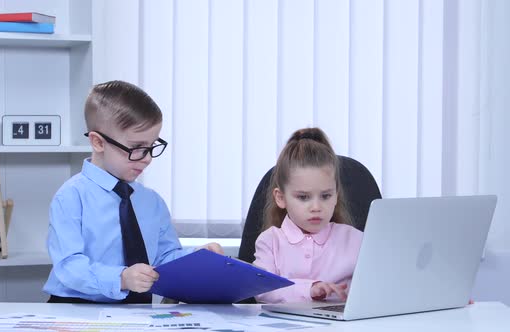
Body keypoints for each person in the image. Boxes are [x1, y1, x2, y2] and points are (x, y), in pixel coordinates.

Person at [43, 80, 223, 303]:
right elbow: (69, 266)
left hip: (136, 313)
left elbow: (164, 258)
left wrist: (196, 258)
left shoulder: (151, 202)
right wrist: (121, 279)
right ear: (98, 142)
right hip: (75, 308)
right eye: (137, 148)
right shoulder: (71, 196)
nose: (147, 158)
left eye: (151, 147)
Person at [253, 127, 362, 304]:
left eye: (326, 196)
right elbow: (263, 289)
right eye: (303, 197)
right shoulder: (269, 241)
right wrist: (310, 289)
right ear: (281, 198)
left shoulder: (356, 240)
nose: (316, 207)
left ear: (336, 195)